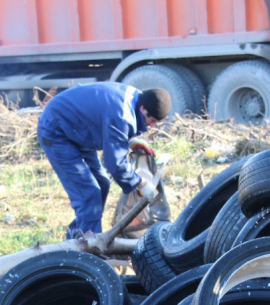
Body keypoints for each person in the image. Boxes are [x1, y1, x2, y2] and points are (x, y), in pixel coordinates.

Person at [37, 82, 172, 239]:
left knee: (102, 183)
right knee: (89, 194)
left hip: (78, 128)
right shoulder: (122, 114)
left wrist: (131, 142)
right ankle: (88, 253)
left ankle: (76, 238)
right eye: (153, 120)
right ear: (143, 109)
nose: (153, 126)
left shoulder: (137, 98)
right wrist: (139, 182)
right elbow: (115, 163)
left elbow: (108, 124)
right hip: (57, 131)